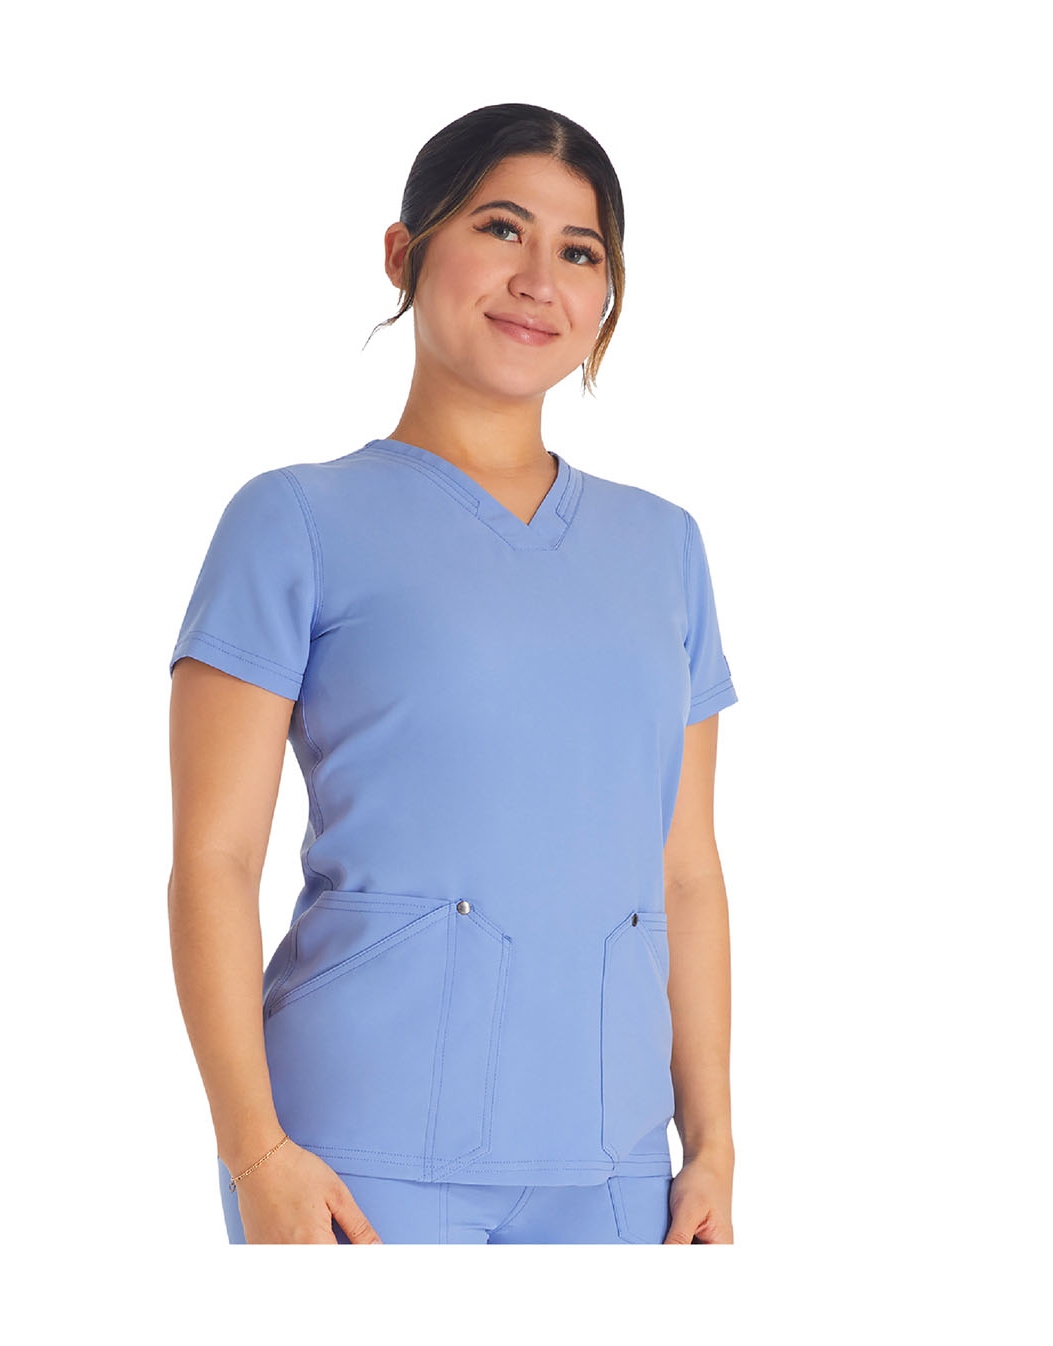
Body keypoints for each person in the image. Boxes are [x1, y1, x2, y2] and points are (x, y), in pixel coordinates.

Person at [167, 103, 740, 1245]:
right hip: (354, 1155)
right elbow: (213, 862)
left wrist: (713, 1143)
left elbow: (685, 870)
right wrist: (256, 1151)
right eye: (500, 228)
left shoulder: (664, 546)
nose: (539, 280)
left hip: (619, 1164)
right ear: (404, 251)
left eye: (580, 251)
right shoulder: (293, 521)